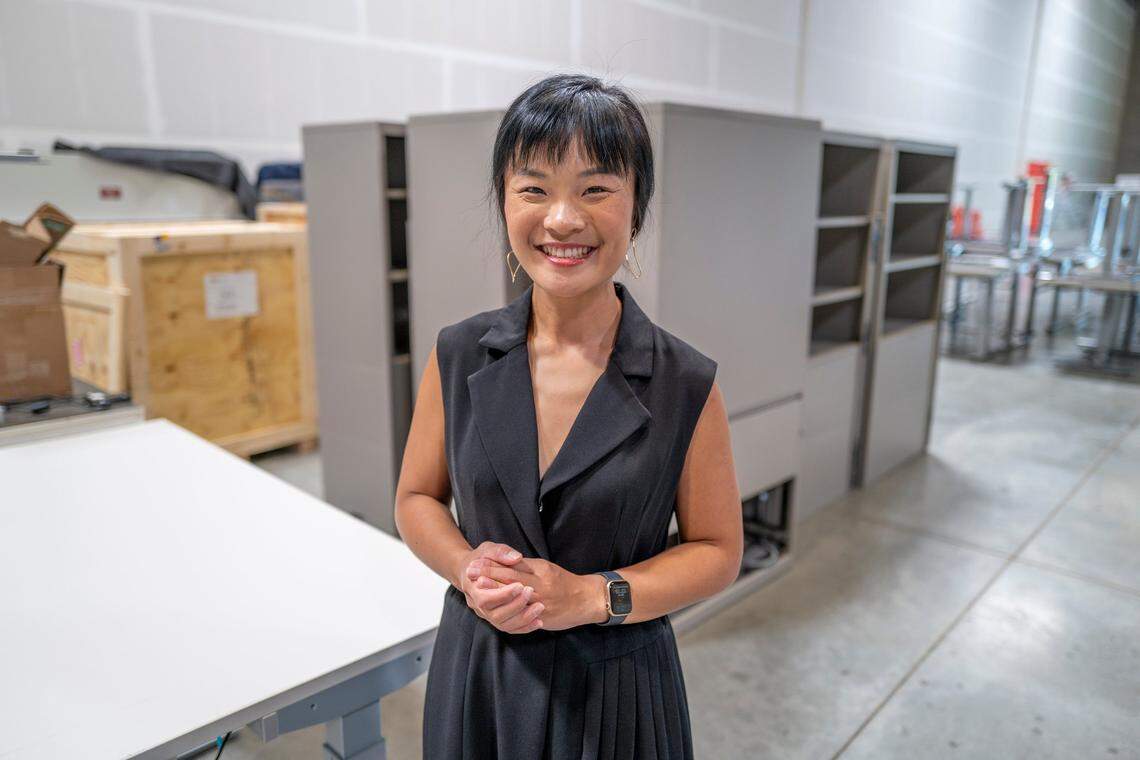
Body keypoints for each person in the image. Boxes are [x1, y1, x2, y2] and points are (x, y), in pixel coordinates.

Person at [394, 73, 743, 760]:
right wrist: (466, 569)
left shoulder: (685, 383)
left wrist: (591, 597)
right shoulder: (459, 353)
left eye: (594, 189)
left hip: (615, 695)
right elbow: (414, 498)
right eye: (534, 189)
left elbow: (718, 551)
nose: (561, 219)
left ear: (635, 208)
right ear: (504, 202)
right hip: (480, 673)